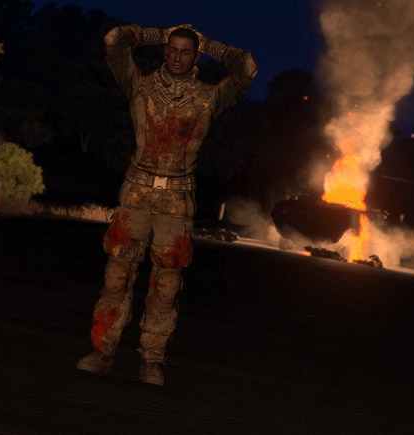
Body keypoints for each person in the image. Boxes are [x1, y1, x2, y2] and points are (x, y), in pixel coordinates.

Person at [76, 23, 258, 386]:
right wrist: (159, 33)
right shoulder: (140, 87)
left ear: (196, 56)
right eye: (171, 50)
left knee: (166, 286)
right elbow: (114, 41)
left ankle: (152, 360)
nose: (176, 57)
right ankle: (102, 352)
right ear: (165, 51)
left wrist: (208, 43)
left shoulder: (209, 97)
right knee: (116, 278)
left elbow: (247, 69)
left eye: (186, 51)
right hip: (136, 195)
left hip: (176, 202)